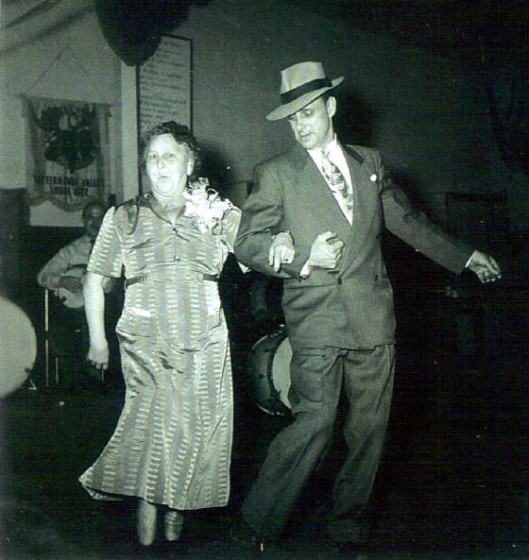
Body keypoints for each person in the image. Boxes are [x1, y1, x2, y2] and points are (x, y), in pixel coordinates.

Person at [232, 61, 502, 550]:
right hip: (315, 320)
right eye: (293, 118)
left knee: (370, 429)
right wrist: (293, 258)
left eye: (309, 112)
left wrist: (465, 256)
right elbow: (247, 241)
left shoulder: (370, 164)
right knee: (314, 420)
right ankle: (260, 520)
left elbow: (409, 222)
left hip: (373, 317)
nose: (301, 125)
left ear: (330, 108)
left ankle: (348, 526)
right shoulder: (275, 174)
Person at [78, 121, 244, 547]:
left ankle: (176, 506)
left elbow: (257, 253)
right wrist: (97, 340)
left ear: (190, 163)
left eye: (169, 156)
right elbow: (95, 279)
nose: (159, 165)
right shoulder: (124, 216)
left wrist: (288, 247)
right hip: (144, 341)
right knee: (152, 425)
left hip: (204, 343)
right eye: (152, 158)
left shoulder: (217, 212)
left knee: (191, 429)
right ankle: (149, 507)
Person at [37, 200, 113, 388]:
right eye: (90, 217)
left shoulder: (117, 247)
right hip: (76, 312)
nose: (95, 222)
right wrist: (61, 281)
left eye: (100, 217)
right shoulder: (71, 250)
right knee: (61, 332)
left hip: (111, 309)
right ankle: (76, 385)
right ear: (83, 221)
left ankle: (100, 384)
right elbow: (42, 276)